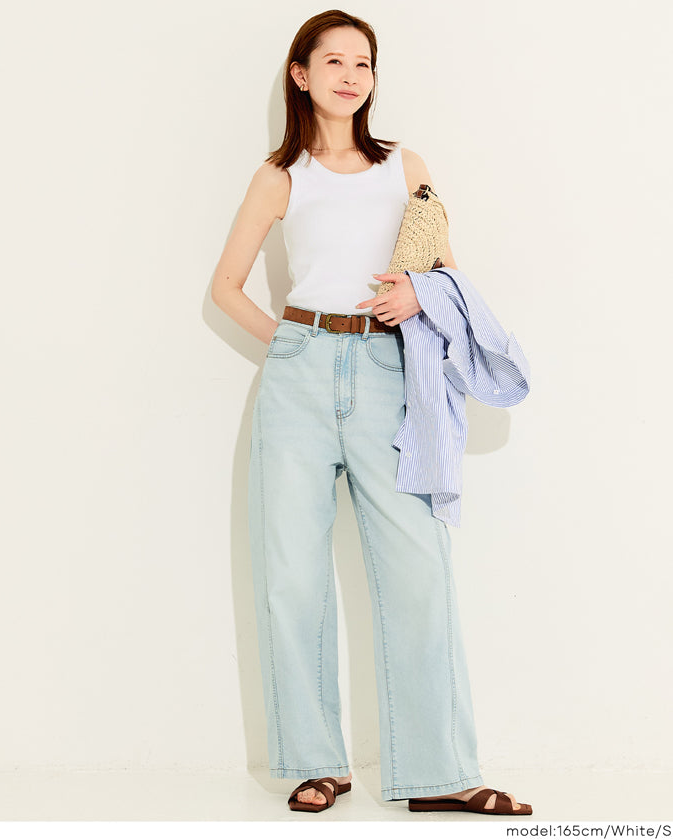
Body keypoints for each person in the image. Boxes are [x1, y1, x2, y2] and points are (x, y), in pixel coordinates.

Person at [212, 9, 532, 816]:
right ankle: (313, 763)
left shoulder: (404, 167)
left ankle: (442, 772)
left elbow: (447, 270)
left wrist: (416, 295)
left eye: (363, 63)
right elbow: (225, 286)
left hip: (390, 372)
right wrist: (291, 343)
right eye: (334, 62)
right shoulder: (279, 176)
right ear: (301, 75)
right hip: (299, 377)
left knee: (419, 568)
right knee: (291, 573)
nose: (351, 76)